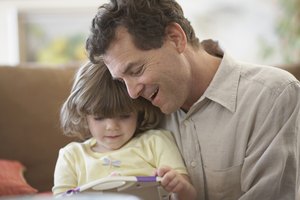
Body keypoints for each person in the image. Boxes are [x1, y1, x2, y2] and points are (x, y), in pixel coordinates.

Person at [85, 0, 300, 199]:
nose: (132, 93)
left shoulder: (272, 96)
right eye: (122, 81)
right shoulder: (140, 112)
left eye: (137, 70)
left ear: (175, 38)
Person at [52, 61, 197, 200]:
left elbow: (188, 195)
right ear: (84, 115)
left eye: (124, 116)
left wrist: (180, 188)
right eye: (99, 118)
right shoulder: (71, 156)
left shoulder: (156, 142)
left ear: (139, 112)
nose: (112, 127)